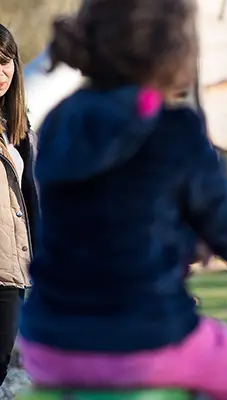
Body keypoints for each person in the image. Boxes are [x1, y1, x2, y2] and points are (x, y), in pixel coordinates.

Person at [17, 0, 227, 398]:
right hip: (145, 342)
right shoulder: (176, 128)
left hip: (49, 344)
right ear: (177, 48)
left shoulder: (61, 121)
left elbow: (103, 217)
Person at [0, 23, 38, 387]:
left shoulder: (19, 127)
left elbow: (30, 201)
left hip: (14, 270)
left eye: (6, 61)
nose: (1, 72)